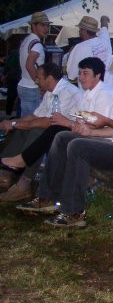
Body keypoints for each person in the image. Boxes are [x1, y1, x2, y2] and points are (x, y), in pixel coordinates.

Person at [19, 48, 113, 228]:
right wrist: (92, 132)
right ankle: (47, 196)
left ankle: (73, 211)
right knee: (63, 137)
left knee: (78, 147)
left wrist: (106, 121)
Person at [2, 57, 113, 204]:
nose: (81, 77)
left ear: (97, 75)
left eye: (85, 73)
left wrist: (68, 123)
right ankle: (33, 185)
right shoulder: (88, 94)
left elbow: (98, 125)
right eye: (80, 73)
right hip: (87, 135)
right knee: (50, 133)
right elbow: (81, 120)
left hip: (101, 142)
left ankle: (31, 180)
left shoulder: (104, 94)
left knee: (51, 132)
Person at [0, 63, 83, 201]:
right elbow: (35, 116)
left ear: (49, 78)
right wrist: (14, 123)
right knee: (23, 127)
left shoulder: (66, 92)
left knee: (36, 131)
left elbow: (50, 122)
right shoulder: (51, 92)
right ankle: (6, 172)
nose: (36, 81)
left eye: (38, 78)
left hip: (69, 131)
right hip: (56, 129)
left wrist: (16, 124)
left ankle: (25, 183)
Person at [65, 15, 113, 92]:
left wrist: (70, 55)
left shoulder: (79, 48)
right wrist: (103, 19)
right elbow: (104, 28)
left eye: (80, 29)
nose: (79, 31)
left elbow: (71, 76)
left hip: (90, 95)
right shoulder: (104, 39)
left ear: (84, 31)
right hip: (109, 90)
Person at [17, 12, 50, 116]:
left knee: (25, 121)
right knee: (32, 124)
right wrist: (39, 84)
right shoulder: (37, 44)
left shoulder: (26, 40)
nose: (46, 28)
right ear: (33, 26)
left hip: (23, 84)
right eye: (42, 25)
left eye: (47, 25)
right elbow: (29, 65)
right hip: (32, 88)